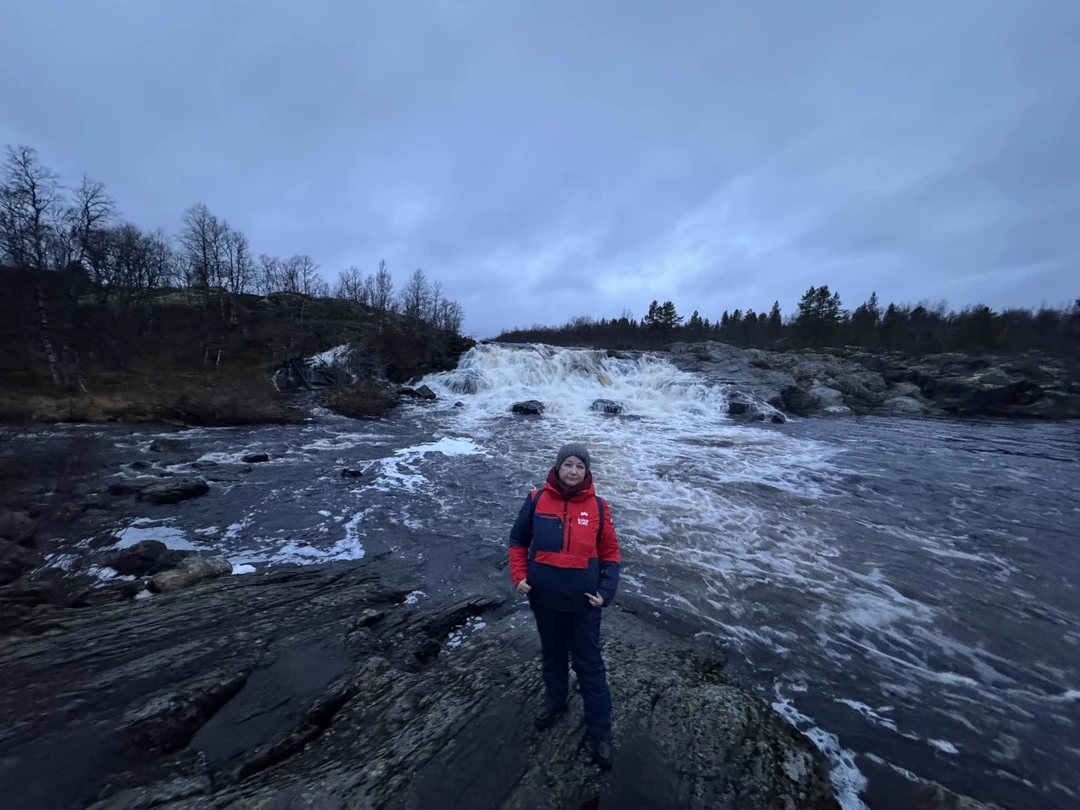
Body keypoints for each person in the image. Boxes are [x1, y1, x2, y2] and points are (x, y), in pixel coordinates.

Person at [508, 442, 621, 769]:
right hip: (543, 599)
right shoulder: (535, 499)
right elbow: (518, 541)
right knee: (553, 654)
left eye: (580, 466)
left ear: (587, 472)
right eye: (568, 464)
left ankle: (600, 731)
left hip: (583, 605)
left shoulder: (598, 506)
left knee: (590, 665)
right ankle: (555, 701)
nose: (573, 471)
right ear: (557, 467)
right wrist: (519, 576)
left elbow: (611, 554)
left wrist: (606, 592)